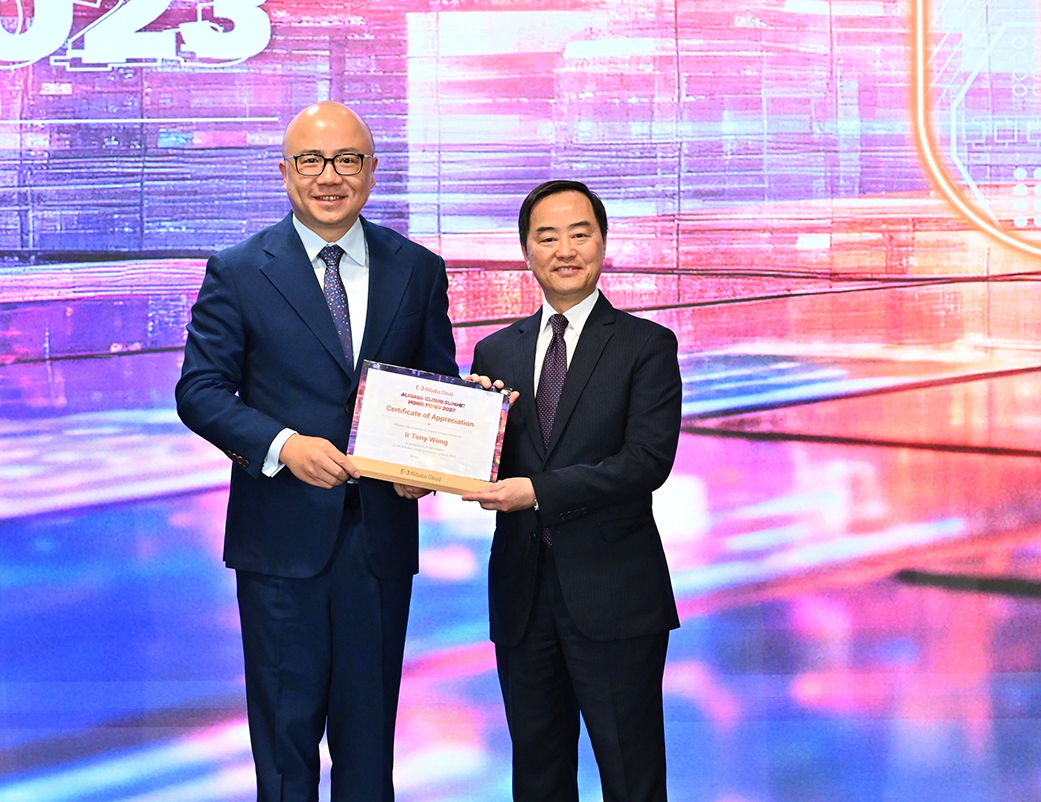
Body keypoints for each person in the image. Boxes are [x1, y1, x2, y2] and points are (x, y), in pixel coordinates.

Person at [175, 101, 457, 802]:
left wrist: (432, 462)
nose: (329, 176)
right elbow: (200, 391)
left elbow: (439, 388)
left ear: (371, 171)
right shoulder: (238, 270)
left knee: (369, 754)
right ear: (284, 171)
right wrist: (282, 445)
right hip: (279, 545)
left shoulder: (418, 270)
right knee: (284, 753)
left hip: (380, 545)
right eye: (311, 160)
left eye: (347, 160)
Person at [463, 180, 682, 802]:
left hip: (616, 593)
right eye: (547, 236)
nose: (565, 249)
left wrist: (537, 491)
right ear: (526, 251)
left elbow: (645, 462)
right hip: (522, 595)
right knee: (537, 773)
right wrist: (422, 467)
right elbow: (480, 463)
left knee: (630, 773)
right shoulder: (495, 351)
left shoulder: (646, 345)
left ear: (603, 243)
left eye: (579, 233)